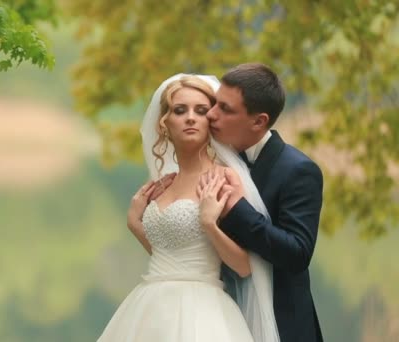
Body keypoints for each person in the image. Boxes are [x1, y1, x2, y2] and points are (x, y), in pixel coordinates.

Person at [97, 74, 279, 342]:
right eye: (180, 110)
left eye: (201, 111)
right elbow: (170, 258)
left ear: (211, 121)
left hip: (202, 311)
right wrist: (136, 225)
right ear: (165, 124)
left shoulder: (223, 179)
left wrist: (209, 225)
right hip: (149, 307)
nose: (191, 118)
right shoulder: (162, 184)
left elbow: (244, 267)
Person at [205, 63, 324, 342]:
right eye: (214, 104)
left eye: (225, 109)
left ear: (259, 121)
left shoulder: (298, 170)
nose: (211, 114)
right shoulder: (211, 164)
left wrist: (237, 209)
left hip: (283, 326)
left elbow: (297, 254)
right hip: (220, 320)